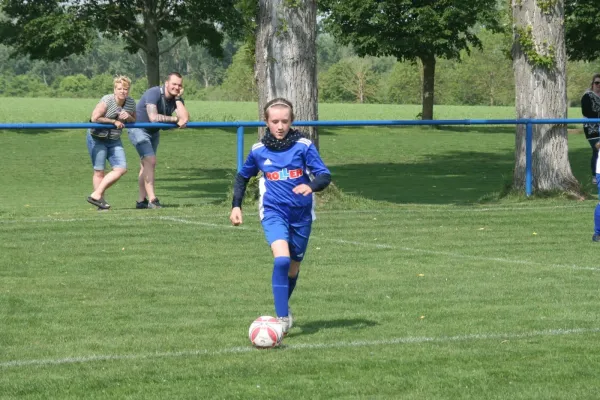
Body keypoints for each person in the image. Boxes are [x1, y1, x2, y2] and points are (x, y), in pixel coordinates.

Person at [229, 98, 331, 335]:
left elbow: (324, 175)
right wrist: (236, 206)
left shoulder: (304, 146)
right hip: (273, 212)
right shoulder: (258, 151)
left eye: (284, 121)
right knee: (282, 260)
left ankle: (282, 308)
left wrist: (312, 186)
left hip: (302, 214)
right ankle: (282, 317)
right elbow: (242, 177)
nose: (280, 126)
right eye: (274, 121)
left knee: (293, 268)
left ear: (291, 121)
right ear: (266, 122)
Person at [127, 72, 190, 209]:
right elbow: (153, 118)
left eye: (179, 85)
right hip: (138, 128)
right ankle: (152, 199)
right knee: (150, 160)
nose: (176, 87)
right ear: (166, 83)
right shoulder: (154, 92)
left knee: (146, 165)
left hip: (154, 132)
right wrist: (174, 119)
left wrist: (178, 99)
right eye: (174, 84)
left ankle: (141, 200)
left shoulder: (176, 99)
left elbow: (185, 118)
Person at [86, 75, 136, 210]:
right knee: (99, 171)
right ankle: (100, 202)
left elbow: (134, 120)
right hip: (97, 138)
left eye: (125, 89)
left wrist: (129, 117)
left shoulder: (130, 102)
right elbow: (94, 117)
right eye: (119, 88)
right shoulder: (107, 100)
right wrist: (114, 121)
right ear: (114, 90)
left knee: (121, 168)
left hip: (114, 139)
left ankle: (96, 195)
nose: (122, 91)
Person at [581, 73, 600, 186]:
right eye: (597, 83)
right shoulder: (587, 96)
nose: (599, 85)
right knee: (597, 149)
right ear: (592, 84)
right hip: (591, 128)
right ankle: (594, 175)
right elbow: (586, 112)